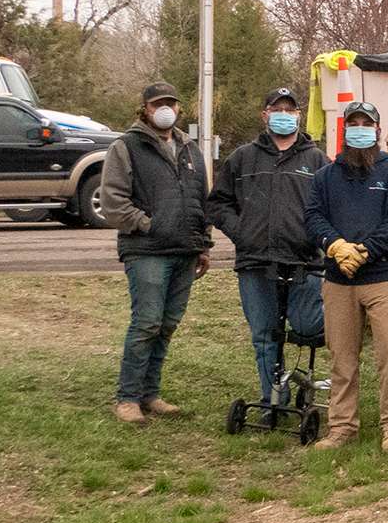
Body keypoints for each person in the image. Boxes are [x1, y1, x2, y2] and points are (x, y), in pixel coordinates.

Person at [206, 87, 329, 406]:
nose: (284, 116)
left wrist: (317, 238)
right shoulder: (243, 158)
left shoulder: (317, 160)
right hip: (256, 264)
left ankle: (307, 381)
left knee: (308, 327)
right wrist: (242, 232)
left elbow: (333, 205)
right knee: (264, 336)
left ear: (299, 116)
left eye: (291, 111)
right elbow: (218, 203)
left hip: (304, 263)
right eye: (278, 110)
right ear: (265, 115)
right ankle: (273, 399)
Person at [100, 81, 214, 424]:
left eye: (170, 103)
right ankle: (128, 397)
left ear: (178, 108)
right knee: (146, 322)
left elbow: (200, 199)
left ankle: (150, 393)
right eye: (157, 104)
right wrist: (149, 225)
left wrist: (203, 242)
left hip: (185, 250)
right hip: (146, 250)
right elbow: (113, 203)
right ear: (145, 110)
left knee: (166, 325)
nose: (164, 109)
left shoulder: (190, 148)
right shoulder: (126, 146)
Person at [306, 101, 388, 450]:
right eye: (352, 123)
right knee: (341, 357)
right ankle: (341, 427)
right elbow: (312, 217)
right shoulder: (325, 176)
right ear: (344, 130)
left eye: (366, 123)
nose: (359, 128)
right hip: (338, 279)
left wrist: (365, 250)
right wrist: (336, 246)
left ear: (377, 131)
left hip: (383, 276)